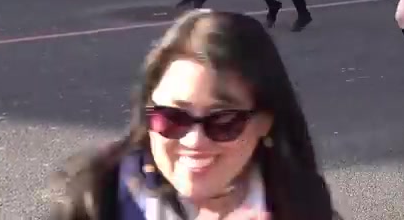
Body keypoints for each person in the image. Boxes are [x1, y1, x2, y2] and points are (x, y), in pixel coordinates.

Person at [50, 11, 336, 219]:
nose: (194, 140)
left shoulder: (301, 202)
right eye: (172, 117)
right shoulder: (95, 196)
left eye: (223, 121)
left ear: (265, 122)